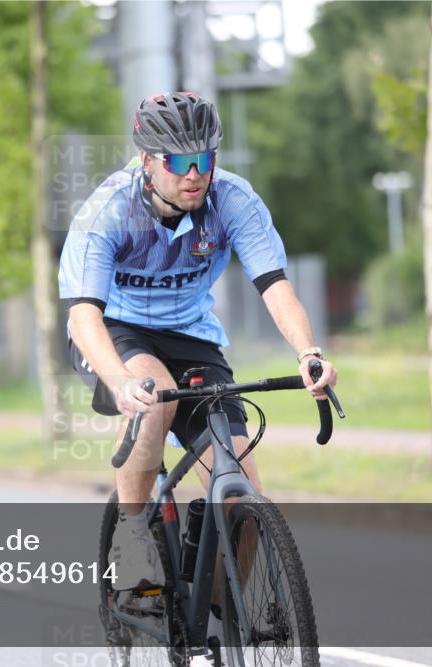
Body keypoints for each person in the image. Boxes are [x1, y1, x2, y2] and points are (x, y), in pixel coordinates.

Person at [57, 91, 338, 640]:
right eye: (179, 162)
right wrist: (117, 379)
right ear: (147, 161)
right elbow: (83, 314)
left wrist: (308, 353)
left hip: (193, 336)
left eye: (205, 159)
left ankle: (213, 605)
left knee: (244, 500)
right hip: (116, 330)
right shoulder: (107, 211)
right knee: (153, 396)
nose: (195, 174)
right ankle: (132, 537)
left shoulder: (233, 200)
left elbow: (275, 286)